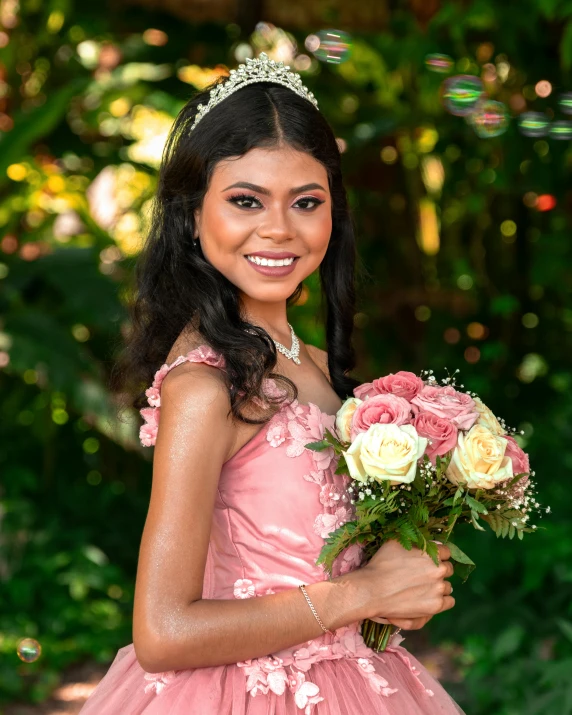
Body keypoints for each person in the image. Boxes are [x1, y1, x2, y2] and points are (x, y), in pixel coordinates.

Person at [80, 53, 464, 714]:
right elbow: (163, 632)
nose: (279, 227)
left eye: (306, 202)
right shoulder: (206, 386)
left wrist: (401, 561)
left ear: (332, 214)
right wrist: (363, 592)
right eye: (245, 200)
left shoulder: (309, 361)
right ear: (193, 216)